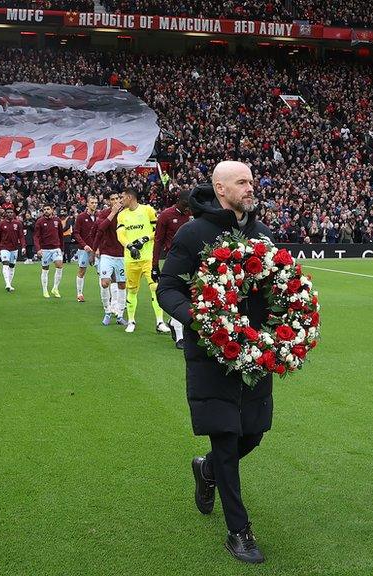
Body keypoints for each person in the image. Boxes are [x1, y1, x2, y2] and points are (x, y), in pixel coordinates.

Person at [157, 161, 274, 564]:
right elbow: (168, 287)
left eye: (251, 180)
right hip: (210, 354)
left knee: (252, 434)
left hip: (256, 352)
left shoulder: (262, 234)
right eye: (242, 181)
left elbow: (277, 287)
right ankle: (238, 531)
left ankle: (206, 471)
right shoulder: (194, 232)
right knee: (225, 438)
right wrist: (198, 319)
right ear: (220, 189)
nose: (250, 186)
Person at [117, 188, 167, 333]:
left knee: (155, 287)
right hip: (131, 259)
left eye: (123, 197)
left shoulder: (147, 210)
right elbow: (121, 236)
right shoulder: (121, 215)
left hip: (148, 257)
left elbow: (157, 230)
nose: (121, 200)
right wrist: (130, 247)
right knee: (132, 290)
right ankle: (131, 321)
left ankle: (160, 322)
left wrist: (145, 239)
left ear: (130, 197)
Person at [152, 189, 192, 348]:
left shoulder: (193, 215)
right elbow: (158, 241)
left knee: (189, 295)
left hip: (192, 260)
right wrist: (154, 265)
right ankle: (180, 337)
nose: (188, 208)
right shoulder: (166, 215)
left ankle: (174, 323)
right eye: (186, 205)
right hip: (173, 260)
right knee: (179, 294)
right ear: (179, 201)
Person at [95, 191, 129, 326]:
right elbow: (101, 229)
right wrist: (112, 213)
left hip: (122, 254)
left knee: (122, 284)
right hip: (107, 253)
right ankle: (107, 311)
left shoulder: (126, 213)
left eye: (117, 198)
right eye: (112, 199)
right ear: (108, 201)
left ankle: (120, 315)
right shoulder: (104, 214)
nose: (116, 201)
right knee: (105, 282)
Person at [34, 203, 65, 298]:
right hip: (45, 249)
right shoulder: (39, 222)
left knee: (59, 265)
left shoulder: (57, 221)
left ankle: (55, 288)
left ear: (52, 210)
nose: (46, 211)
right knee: (45, 269)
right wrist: (38, 249)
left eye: (48, 209)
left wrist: (62, 248)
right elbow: (36, 236)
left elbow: (61, 235)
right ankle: (45, 290)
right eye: (45, 209)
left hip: (56, 248)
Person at [72, 197, 99, 303]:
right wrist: (84, 245)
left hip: (97, 249)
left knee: (102, 272)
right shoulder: (81, 217)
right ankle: (79, 294)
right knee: (82, 271)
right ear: (87, 204)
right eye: (92, 203)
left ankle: (107, 297)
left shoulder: (99, 216)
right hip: (84, 250)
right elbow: (76, 233)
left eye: (96, 203)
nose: (94, 204)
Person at [0, 208, 25, 292]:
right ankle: (7, 284)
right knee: (5, 264)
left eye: (11, 212)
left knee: (12, 266)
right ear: (5, 214)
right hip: (4, 247)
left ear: (14, 213)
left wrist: (23, 247)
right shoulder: (1, 224)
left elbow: (21, 236)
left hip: (14, 248)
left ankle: (10, 284)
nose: (9, 214)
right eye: (8, 212)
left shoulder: (18, 223)